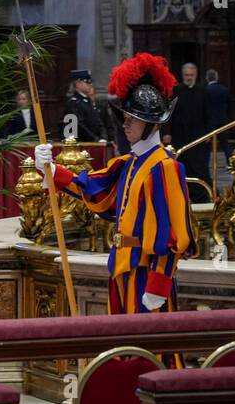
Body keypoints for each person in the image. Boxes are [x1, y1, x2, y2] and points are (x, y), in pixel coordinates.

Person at [36, 53, 196, 318]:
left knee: (149, 351)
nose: (125, 124)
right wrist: (51, 170)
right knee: (122, 347)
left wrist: (160, 282)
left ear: (151, 124)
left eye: (132, 118)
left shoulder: (164, 166)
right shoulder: (129, 162)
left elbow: (174, 234)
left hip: (146, 272)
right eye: (125, 117)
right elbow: (95, 191)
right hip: (121, 265)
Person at [164, 63, 210, 203]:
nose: (189, 78)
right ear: (182, 75)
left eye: (191, 75)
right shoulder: (175, 91)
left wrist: (208, 132)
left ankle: (200, 196)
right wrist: (166, 132)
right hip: (179, 135)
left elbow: (208, 113)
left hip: (198, 136)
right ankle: (181, 195)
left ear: (196, 75)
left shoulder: (203, 91)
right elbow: (168, 113)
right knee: (181, 164)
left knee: (199, 166)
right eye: (187, 75)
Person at [63, 70, 107, 143]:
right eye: (87, 82)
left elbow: (98, 121)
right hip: (82, 143)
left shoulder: (87, 100)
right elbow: (79, 126)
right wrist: (95, 139)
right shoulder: (74, 102)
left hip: (94, 141)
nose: (91, 85)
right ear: (78, 84)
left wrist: (103, 137)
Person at [204, 69, 231, 167]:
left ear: (207, 78)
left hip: (210, 122)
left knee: (206, 145)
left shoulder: (206, 90)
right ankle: (230, 163)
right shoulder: (224, 89)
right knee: (225, 144)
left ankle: (205, 164)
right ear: (217, 78)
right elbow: (229, 105)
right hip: (222, 120)